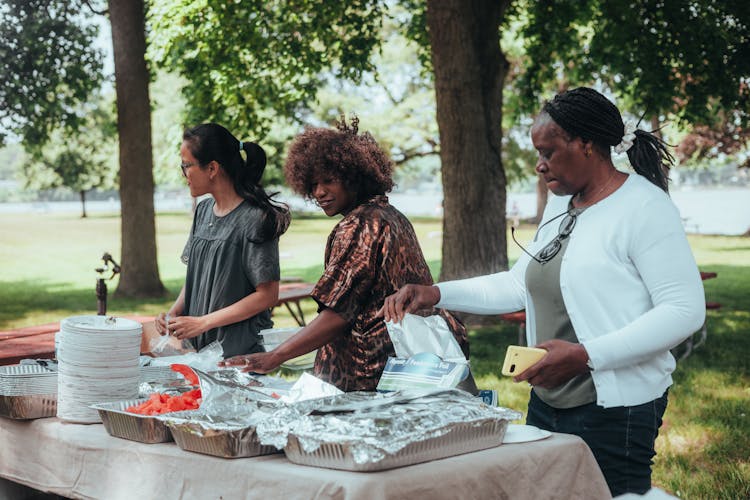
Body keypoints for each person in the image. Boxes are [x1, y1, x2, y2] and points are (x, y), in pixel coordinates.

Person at [381, 87, 705, 496]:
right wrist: (437, 293)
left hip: (615, 408)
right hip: (548, 400)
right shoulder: (562, 205)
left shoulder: (644, 207)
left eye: (549, 152)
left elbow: (684, 309)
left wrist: (586, 355)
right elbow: (520, 284)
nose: (540, 165)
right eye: (538, 153)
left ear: (586, 145)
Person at [219, 117, 472, 392]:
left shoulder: (360, 225)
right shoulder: (392, 216)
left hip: (367, 379)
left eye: (329, 181)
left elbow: (338, 314)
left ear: (355, 177)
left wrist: (274, 357)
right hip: (403, 372)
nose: (319, 192)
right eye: (312, 184)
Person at [153, 123, 290, 358]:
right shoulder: (203, 210)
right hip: (200, 354)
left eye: (186, 165)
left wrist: (203, 322)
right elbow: (198, 274)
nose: (183, 173)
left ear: (212, 168)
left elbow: (267, 295)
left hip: (240, 356)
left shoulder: (255, 218)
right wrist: (173, 313)